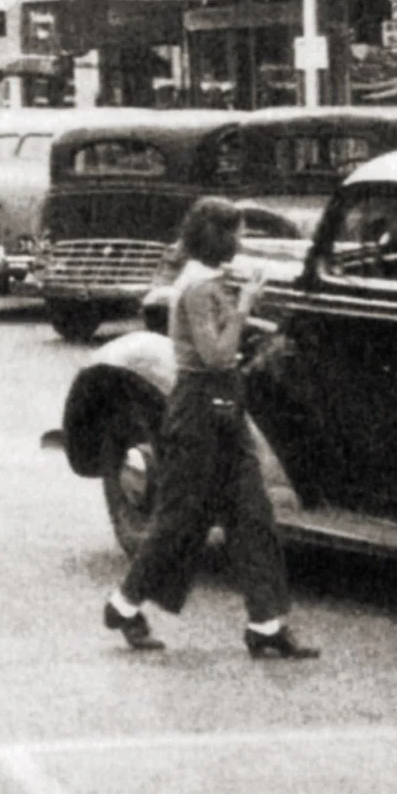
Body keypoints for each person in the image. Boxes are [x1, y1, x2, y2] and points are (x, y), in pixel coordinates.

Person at [103, 196, 318, 661]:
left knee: (252, 514)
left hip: (222, 405)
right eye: (235, 234)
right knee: (180, 517)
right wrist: (245, 306)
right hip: (199, 408)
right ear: (216, 238)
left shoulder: (204, 282)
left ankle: (266, 623)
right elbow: (216, 355)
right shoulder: (199, 288)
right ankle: (123, 605)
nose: (240, 243)